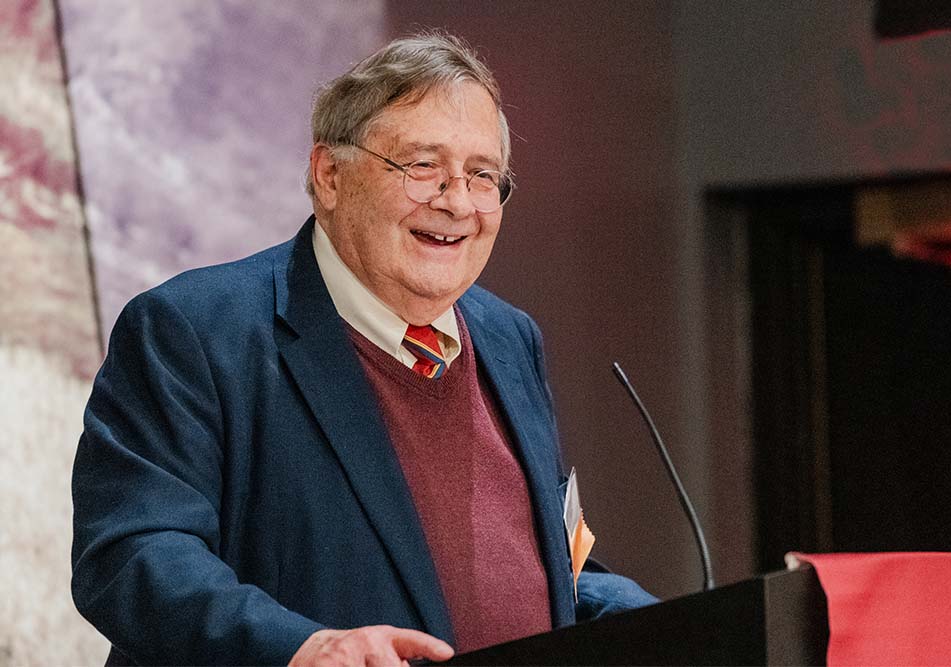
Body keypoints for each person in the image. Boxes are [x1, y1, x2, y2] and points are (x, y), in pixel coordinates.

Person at [71, 32, 656, 667]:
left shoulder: (510, 338)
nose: (457, 201)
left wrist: (713, 614)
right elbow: (132, 557)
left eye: (482, 175)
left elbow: (539, 566)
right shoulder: (193, 331)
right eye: (422, 165)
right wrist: (303, 649)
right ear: (328, 175)